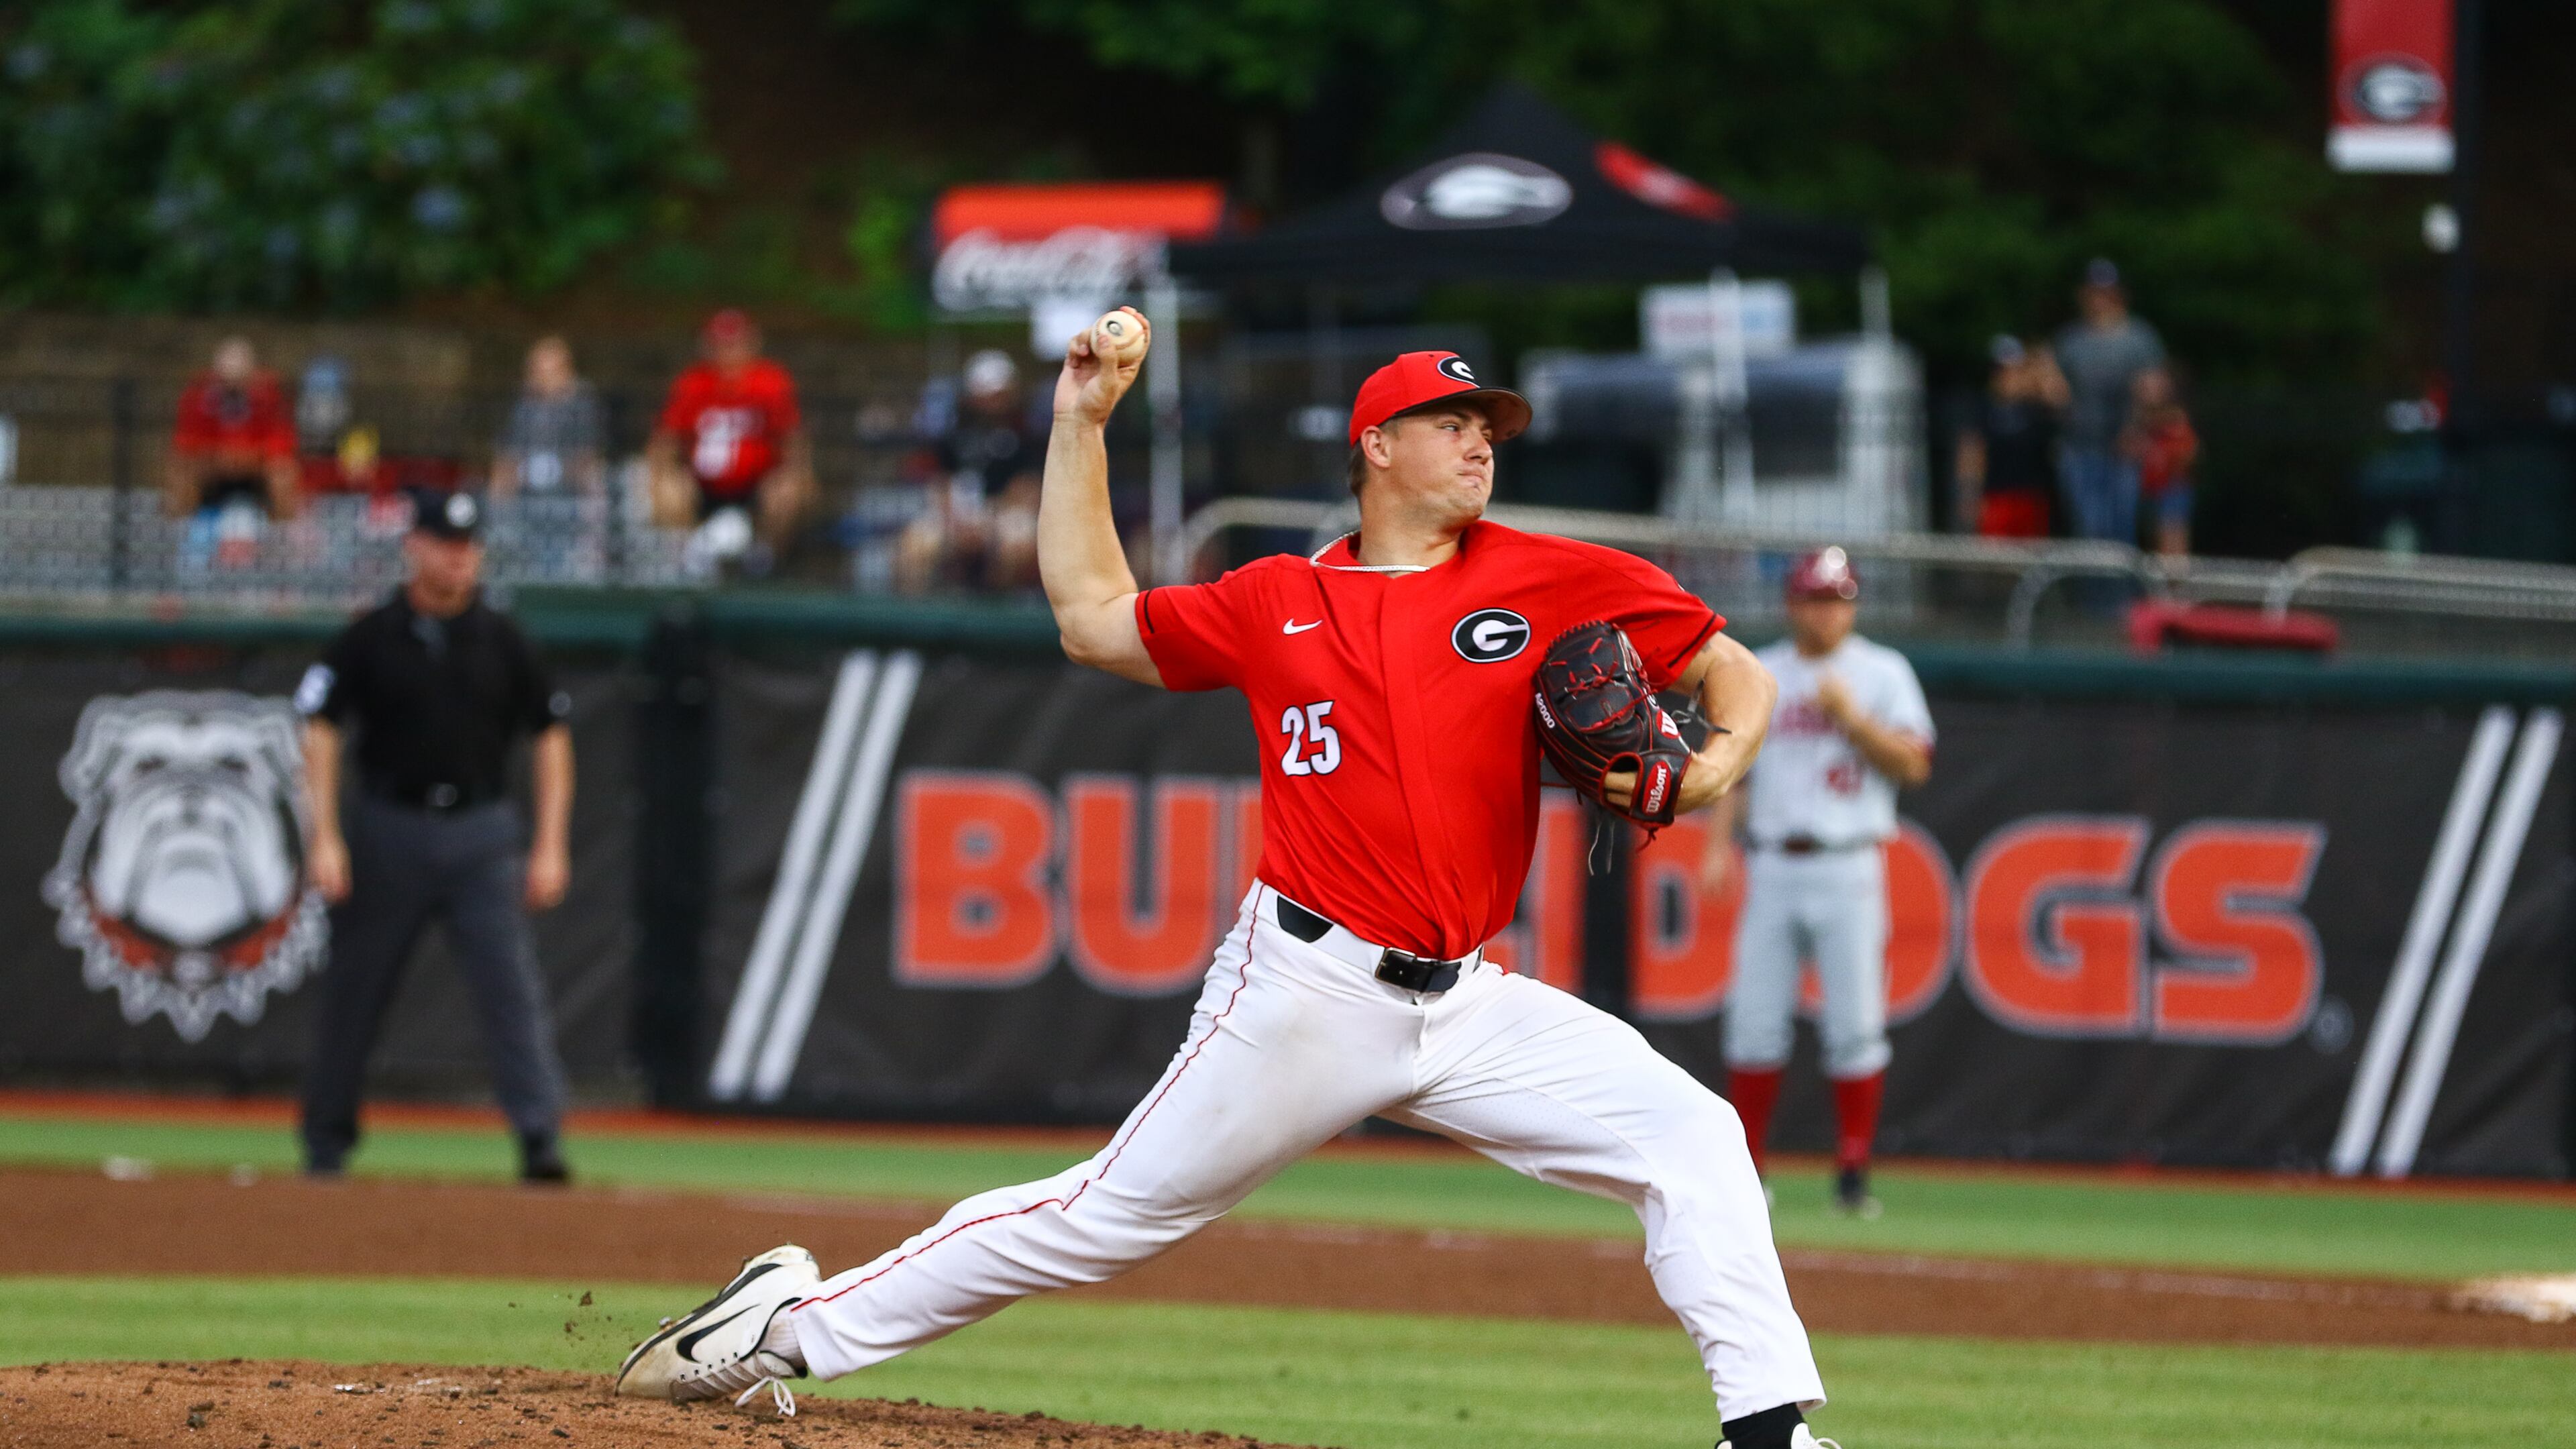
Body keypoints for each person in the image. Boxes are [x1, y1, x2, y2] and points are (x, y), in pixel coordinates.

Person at [618, 323, 1846, 1449]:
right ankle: (780, 1331)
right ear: (1378, 445)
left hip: (1471, 1002)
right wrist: (1081, 426)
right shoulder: (1278, 600)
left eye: (1491, 427)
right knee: (1102, 1220)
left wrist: (1709, 771)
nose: (1481, 441)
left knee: (1690, 1136)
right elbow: (1094, 617)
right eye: (1454, 422)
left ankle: (1772, 1437)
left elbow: (1733, 671)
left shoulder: (1551, 577)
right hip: (1308, 990)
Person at [294, 490, 577, 1184]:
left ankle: (539, 1137)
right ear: (414, 547)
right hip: (390, 825)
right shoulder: (370, 636)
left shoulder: (505, 639)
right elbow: (320, 726)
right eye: (447, 545)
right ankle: (326, 1141)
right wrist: (324, 836)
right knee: (357, 989)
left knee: (509, 990)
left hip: (481, 833)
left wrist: (550, 843)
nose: (459, 560)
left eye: (469, 547)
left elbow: (551, 736)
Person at [1700, 548, 1931, 1220]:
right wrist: (1718, 849)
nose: (1827, 611)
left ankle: (1853, 1174)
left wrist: (1855, 719)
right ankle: (1749, 1174)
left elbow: (1915, 765)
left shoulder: (1883, 672)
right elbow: (1733, 771)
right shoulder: (1762, 669)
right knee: (1753, 1023)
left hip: (1849, 861)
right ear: (1792, 604)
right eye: (1815, 599)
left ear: (1852, 606)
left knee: (1856, 1025)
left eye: (1838, 599)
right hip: (1772, 862)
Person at [647, 309, 813, 568]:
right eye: (721, 345)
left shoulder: (770, 381)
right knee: (668, 489)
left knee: (786, 491)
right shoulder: (692, 383)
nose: (729, 352)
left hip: (757, 486)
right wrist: (662, 475)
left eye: (735, 344)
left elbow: (792, 438)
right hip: (702, 486)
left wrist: (797, 476)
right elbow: (665, 439)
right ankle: (691, 561)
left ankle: (764, 560)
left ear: (751, 344)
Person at [896, 349, 1045, 593]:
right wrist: (957, 521)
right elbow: (941, 482)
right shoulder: (955, 432)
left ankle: (999, 608)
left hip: (1006, 514)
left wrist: (987, 522)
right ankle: (918, 620)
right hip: (958, 514)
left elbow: (1028, 492)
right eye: (987, 394)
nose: (993, 402)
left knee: (1016, 543)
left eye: (999, 394)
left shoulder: (1026, 433)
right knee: (915, 545)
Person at [2053, 260, 2165, 545]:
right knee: (2088, 529)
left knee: (2121, 530)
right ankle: (2091, 590)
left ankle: (2121, 590)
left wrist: (2137, 428)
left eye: (2106, 292)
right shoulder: (2070, 340)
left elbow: (2154, 390)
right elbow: (2056, 391)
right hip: (2080, 446)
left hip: (2123, 449)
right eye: (2094, 292)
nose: (2100, 299)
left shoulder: (2140, 339)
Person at [167, 336, 300, 522]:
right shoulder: (199, 395)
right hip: (212, 465)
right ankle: (181, 529)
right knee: (181, 468)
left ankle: (283, 531)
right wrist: (216, 457)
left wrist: (248, 458)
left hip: (256, 466)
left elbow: (280, 442)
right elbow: (187, 442)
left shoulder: (269, 395)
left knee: (283, 471)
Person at [1953, 335, 2065, 539]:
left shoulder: (2037, 407)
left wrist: (2044, 364)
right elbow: (1971, 451)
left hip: (2033, 497)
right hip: (1997, 497)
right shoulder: (1983, 408)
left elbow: (2060, 400)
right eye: (2000, 370)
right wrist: (1969, 494)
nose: (2006, 376)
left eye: (2013, 369)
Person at [491, 335, 606, 500]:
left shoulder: (583, 406)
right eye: (538, 372)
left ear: (566, 371)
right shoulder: (521, 407)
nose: (543, 379)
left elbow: (588, 461)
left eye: (550, 372)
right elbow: (506, 460)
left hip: (570, 499)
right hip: (525, 500)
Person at [2123, 366, 2198, 557]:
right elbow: (2126, 449)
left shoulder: (2174, 416)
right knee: (2152, 542)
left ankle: (2174, 585)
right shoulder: (2138, 421)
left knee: (2172, 540)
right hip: (2150, 489)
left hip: (2172, 487)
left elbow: (2189, 452)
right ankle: (2158, 584)